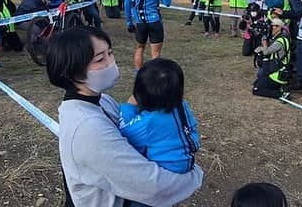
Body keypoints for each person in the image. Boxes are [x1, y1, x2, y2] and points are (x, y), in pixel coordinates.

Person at [46, 27, 203, 207]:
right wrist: (194, 175)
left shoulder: (101, 101)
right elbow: (150, 185)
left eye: (110, 53)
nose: (110, 62)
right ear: (73, 71)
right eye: (100, 59)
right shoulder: (87, 128)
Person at [119, 58, 200, 207]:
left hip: (162, 175)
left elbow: (124, 132)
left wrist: (128, 107)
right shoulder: (182, 106)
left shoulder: (150, 121)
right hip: (184, 163)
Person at [252, 18, 291, 98]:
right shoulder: (278, 37)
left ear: (279, 27)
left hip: (277, 72)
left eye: (274, 26)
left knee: (256, 89)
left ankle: (281, 94)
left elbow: (266, 52)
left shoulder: (280, 40)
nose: (272, 28)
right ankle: (279, 88)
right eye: (272, 26)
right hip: (274, 69)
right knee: (256, 83)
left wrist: (264, 41)